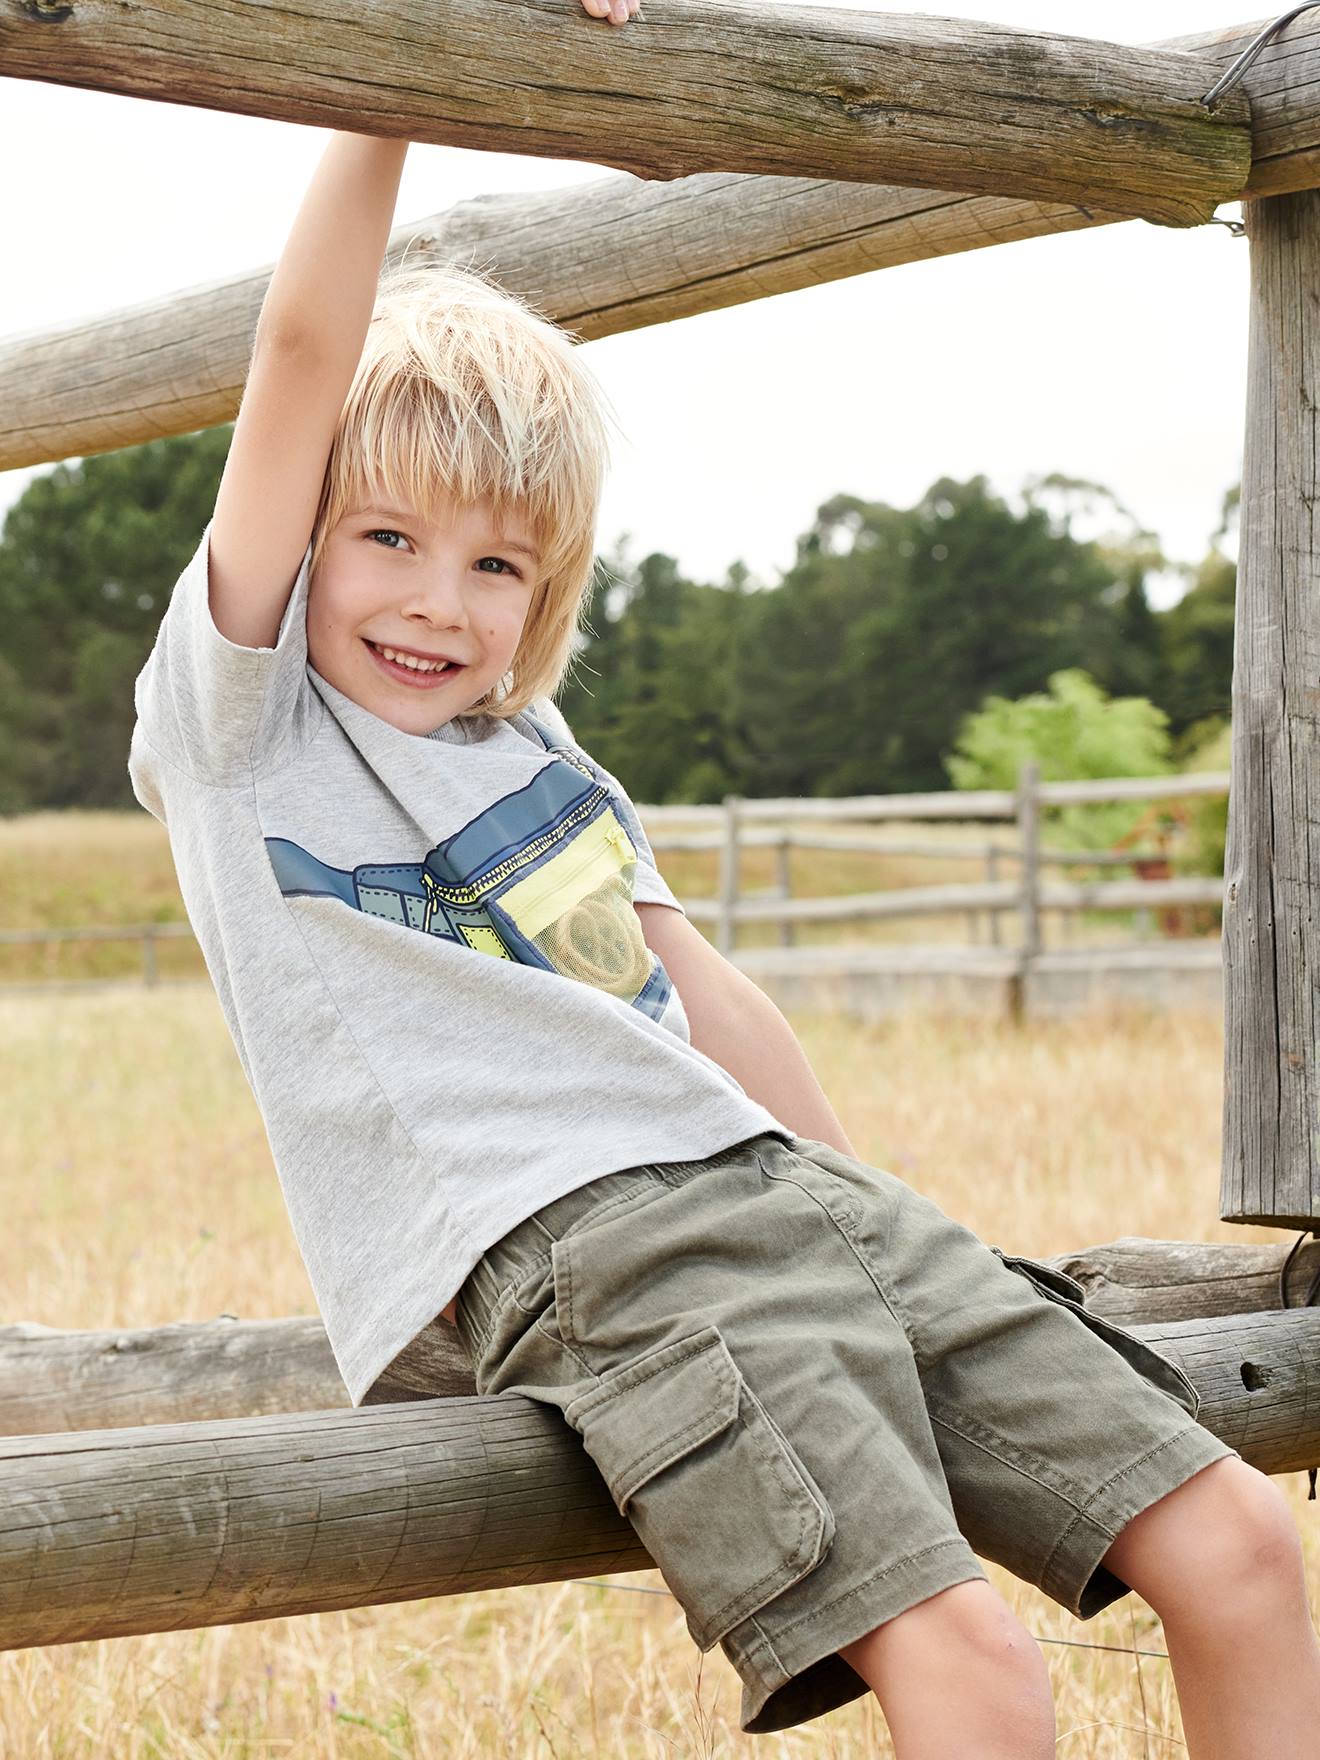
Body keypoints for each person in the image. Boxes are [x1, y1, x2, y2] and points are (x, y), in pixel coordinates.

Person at [127, 9, 1320, 1752]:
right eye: (383, 537)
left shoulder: (543, 762)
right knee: (972, 1664)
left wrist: (887, 1230)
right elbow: (306, 347)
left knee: (1243, 1542)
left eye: (491, 564)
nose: (433, 601)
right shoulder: (247, 731)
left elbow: (702, 998)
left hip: (785, 1191)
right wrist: (409, 53)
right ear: (303, 531)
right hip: (594, 1243)